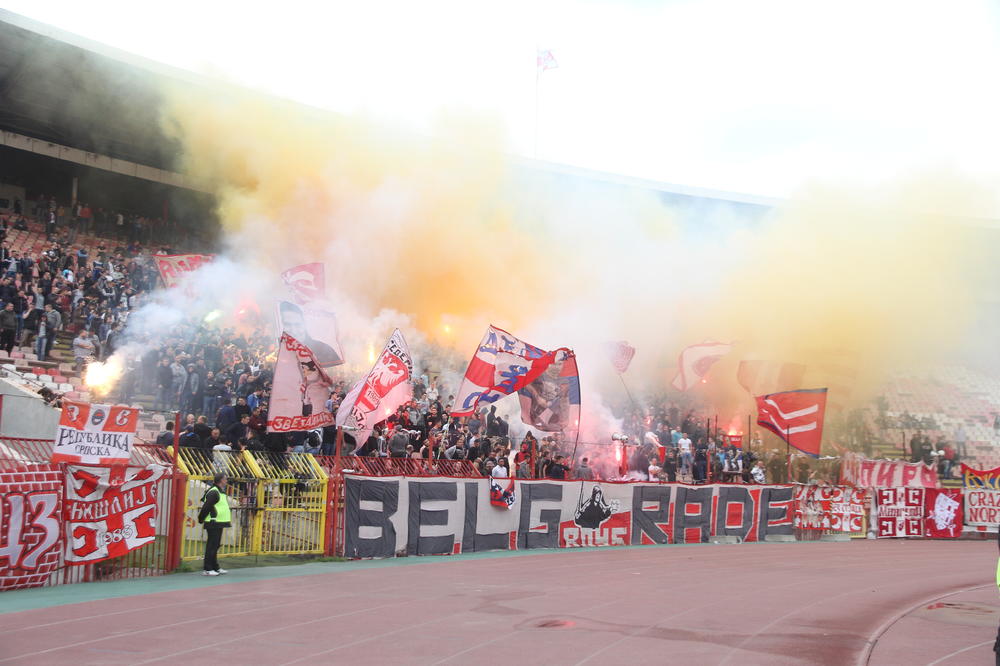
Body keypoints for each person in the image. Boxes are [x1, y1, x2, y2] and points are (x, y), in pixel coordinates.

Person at [196, 472, 231, 577]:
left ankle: (215, 567)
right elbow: (206, 507)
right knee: (211, 545)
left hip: (219, 522)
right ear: (221, 480)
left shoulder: (220, 492)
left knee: (215, 545)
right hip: (213, 522)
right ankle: (207, 568)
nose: (226, 481)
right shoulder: (214, 492)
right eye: (225, 479)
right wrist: (201, 518)